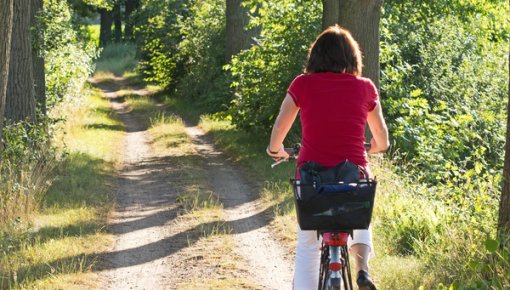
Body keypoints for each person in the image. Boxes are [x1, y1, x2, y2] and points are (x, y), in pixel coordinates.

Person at [266, 25, 390, 290]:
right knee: (360, 216)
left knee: (308, 243)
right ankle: (363, 270)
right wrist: (375, 148)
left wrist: (276, 149)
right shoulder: (365, 88)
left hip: (312, 182)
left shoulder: (302, 84)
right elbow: (382, 138)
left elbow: (279, 129)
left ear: (316, 57)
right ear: (352, 58)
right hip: (352, 177)